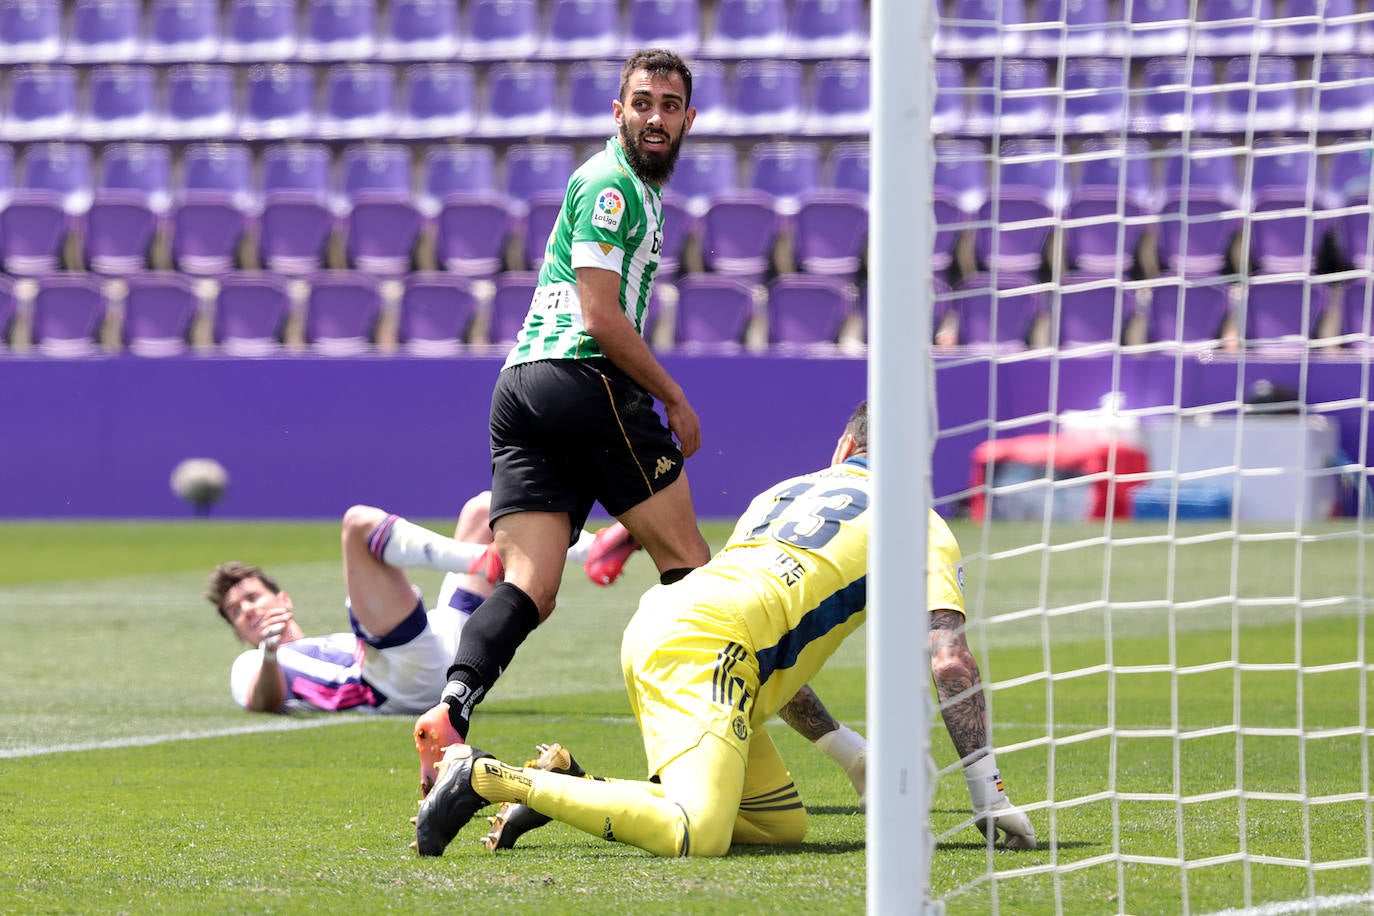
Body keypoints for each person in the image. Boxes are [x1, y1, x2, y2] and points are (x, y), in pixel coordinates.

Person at [408, 47, 868, 818]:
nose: (655, 116)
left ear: (689, 119)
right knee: (698, 577)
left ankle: (450, 710)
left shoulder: (634, 193)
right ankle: (778, 758)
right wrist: (674, 398)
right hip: (584, 377)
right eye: (642, 102)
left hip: (522, 388)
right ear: (616, 112)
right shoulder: (611, 186)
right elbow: (599, 317)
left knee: (531, 587)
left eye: (669, 104)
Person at [413, 402, 1037, 857]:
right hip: (708, 646)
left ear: (844, 451)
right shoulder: (918, 518)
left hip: (687, 628)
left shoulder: (781, 494)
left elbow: (763, 628)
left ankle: (569, 784)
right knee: (697, 833)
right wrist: (988, 793)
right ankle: (485, 775)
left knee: (777, 828)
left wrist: (852, 753)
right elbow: (950, 662)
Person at [206, 493, 637, 719]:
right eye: (237, 611)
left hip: (446, 652)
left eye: (252, 597)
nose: (248, 610)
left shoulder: (328, 641)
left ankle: (597, 548)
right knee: (358, 524)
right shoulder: (250, 664)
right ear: (237, 634)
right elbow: (262, 702)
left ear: (283, 599)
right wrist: (266, 654)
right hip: (397, 686)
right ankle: (482, 560)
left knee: (485, 508)